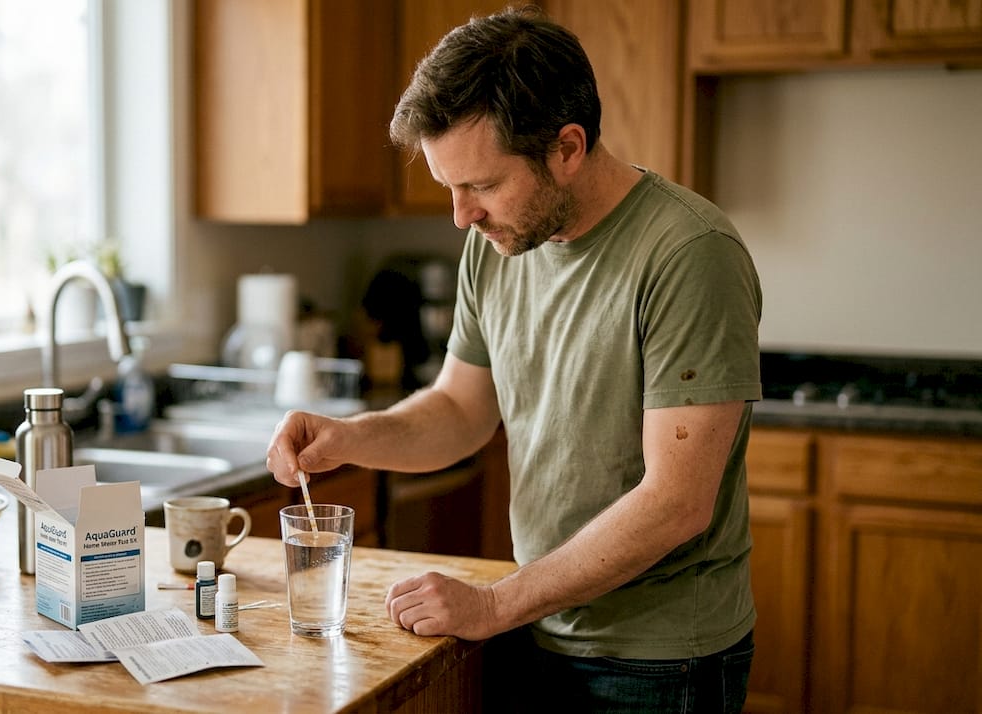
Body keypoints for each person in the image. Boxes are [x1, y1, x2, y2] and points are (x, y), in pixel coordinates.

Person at [266, 6, 761, 712]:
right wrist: (353, 438)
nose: (461, 216)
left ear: (566, 148)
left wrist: (495, 605)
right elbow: (460, 411)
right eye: (450, 187)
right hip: (541, 623)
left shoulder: (688, 254)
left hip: (659, 659)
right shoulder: (497, 244)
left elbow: (675, 503)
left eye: (484, 186)